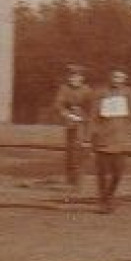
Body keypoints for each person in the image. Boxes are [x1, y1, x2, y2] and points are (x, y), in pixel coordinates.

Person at [90, 67, 131, 213]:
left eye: (121, 78)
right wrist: (91, 135)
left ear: (124, 80)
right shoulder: (100, 92)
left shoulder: (128, 93)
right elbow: (93, 115)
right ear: (110, 77)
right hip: (103, 137)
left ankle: (109, 195)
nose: (117, 80)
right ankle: (104, 202)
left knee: (118, 172)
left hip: (120, 138)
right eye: (115, 77)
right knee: (102, 172)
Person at [51, 63, 95, 200]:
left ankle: (78, 182)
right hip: (71, 122)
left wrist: (86, 118)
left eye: (76, 76)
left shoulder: (87, 90)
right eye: (71, 76)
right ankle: (71, 180)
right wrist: (66, 113)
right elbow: (58, 104)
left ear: (82, 78)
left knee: (81, 152)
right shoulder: (64, 89)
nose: (73, 79)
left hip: (84, 123)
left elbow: (93, 106)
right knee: (70, 152)